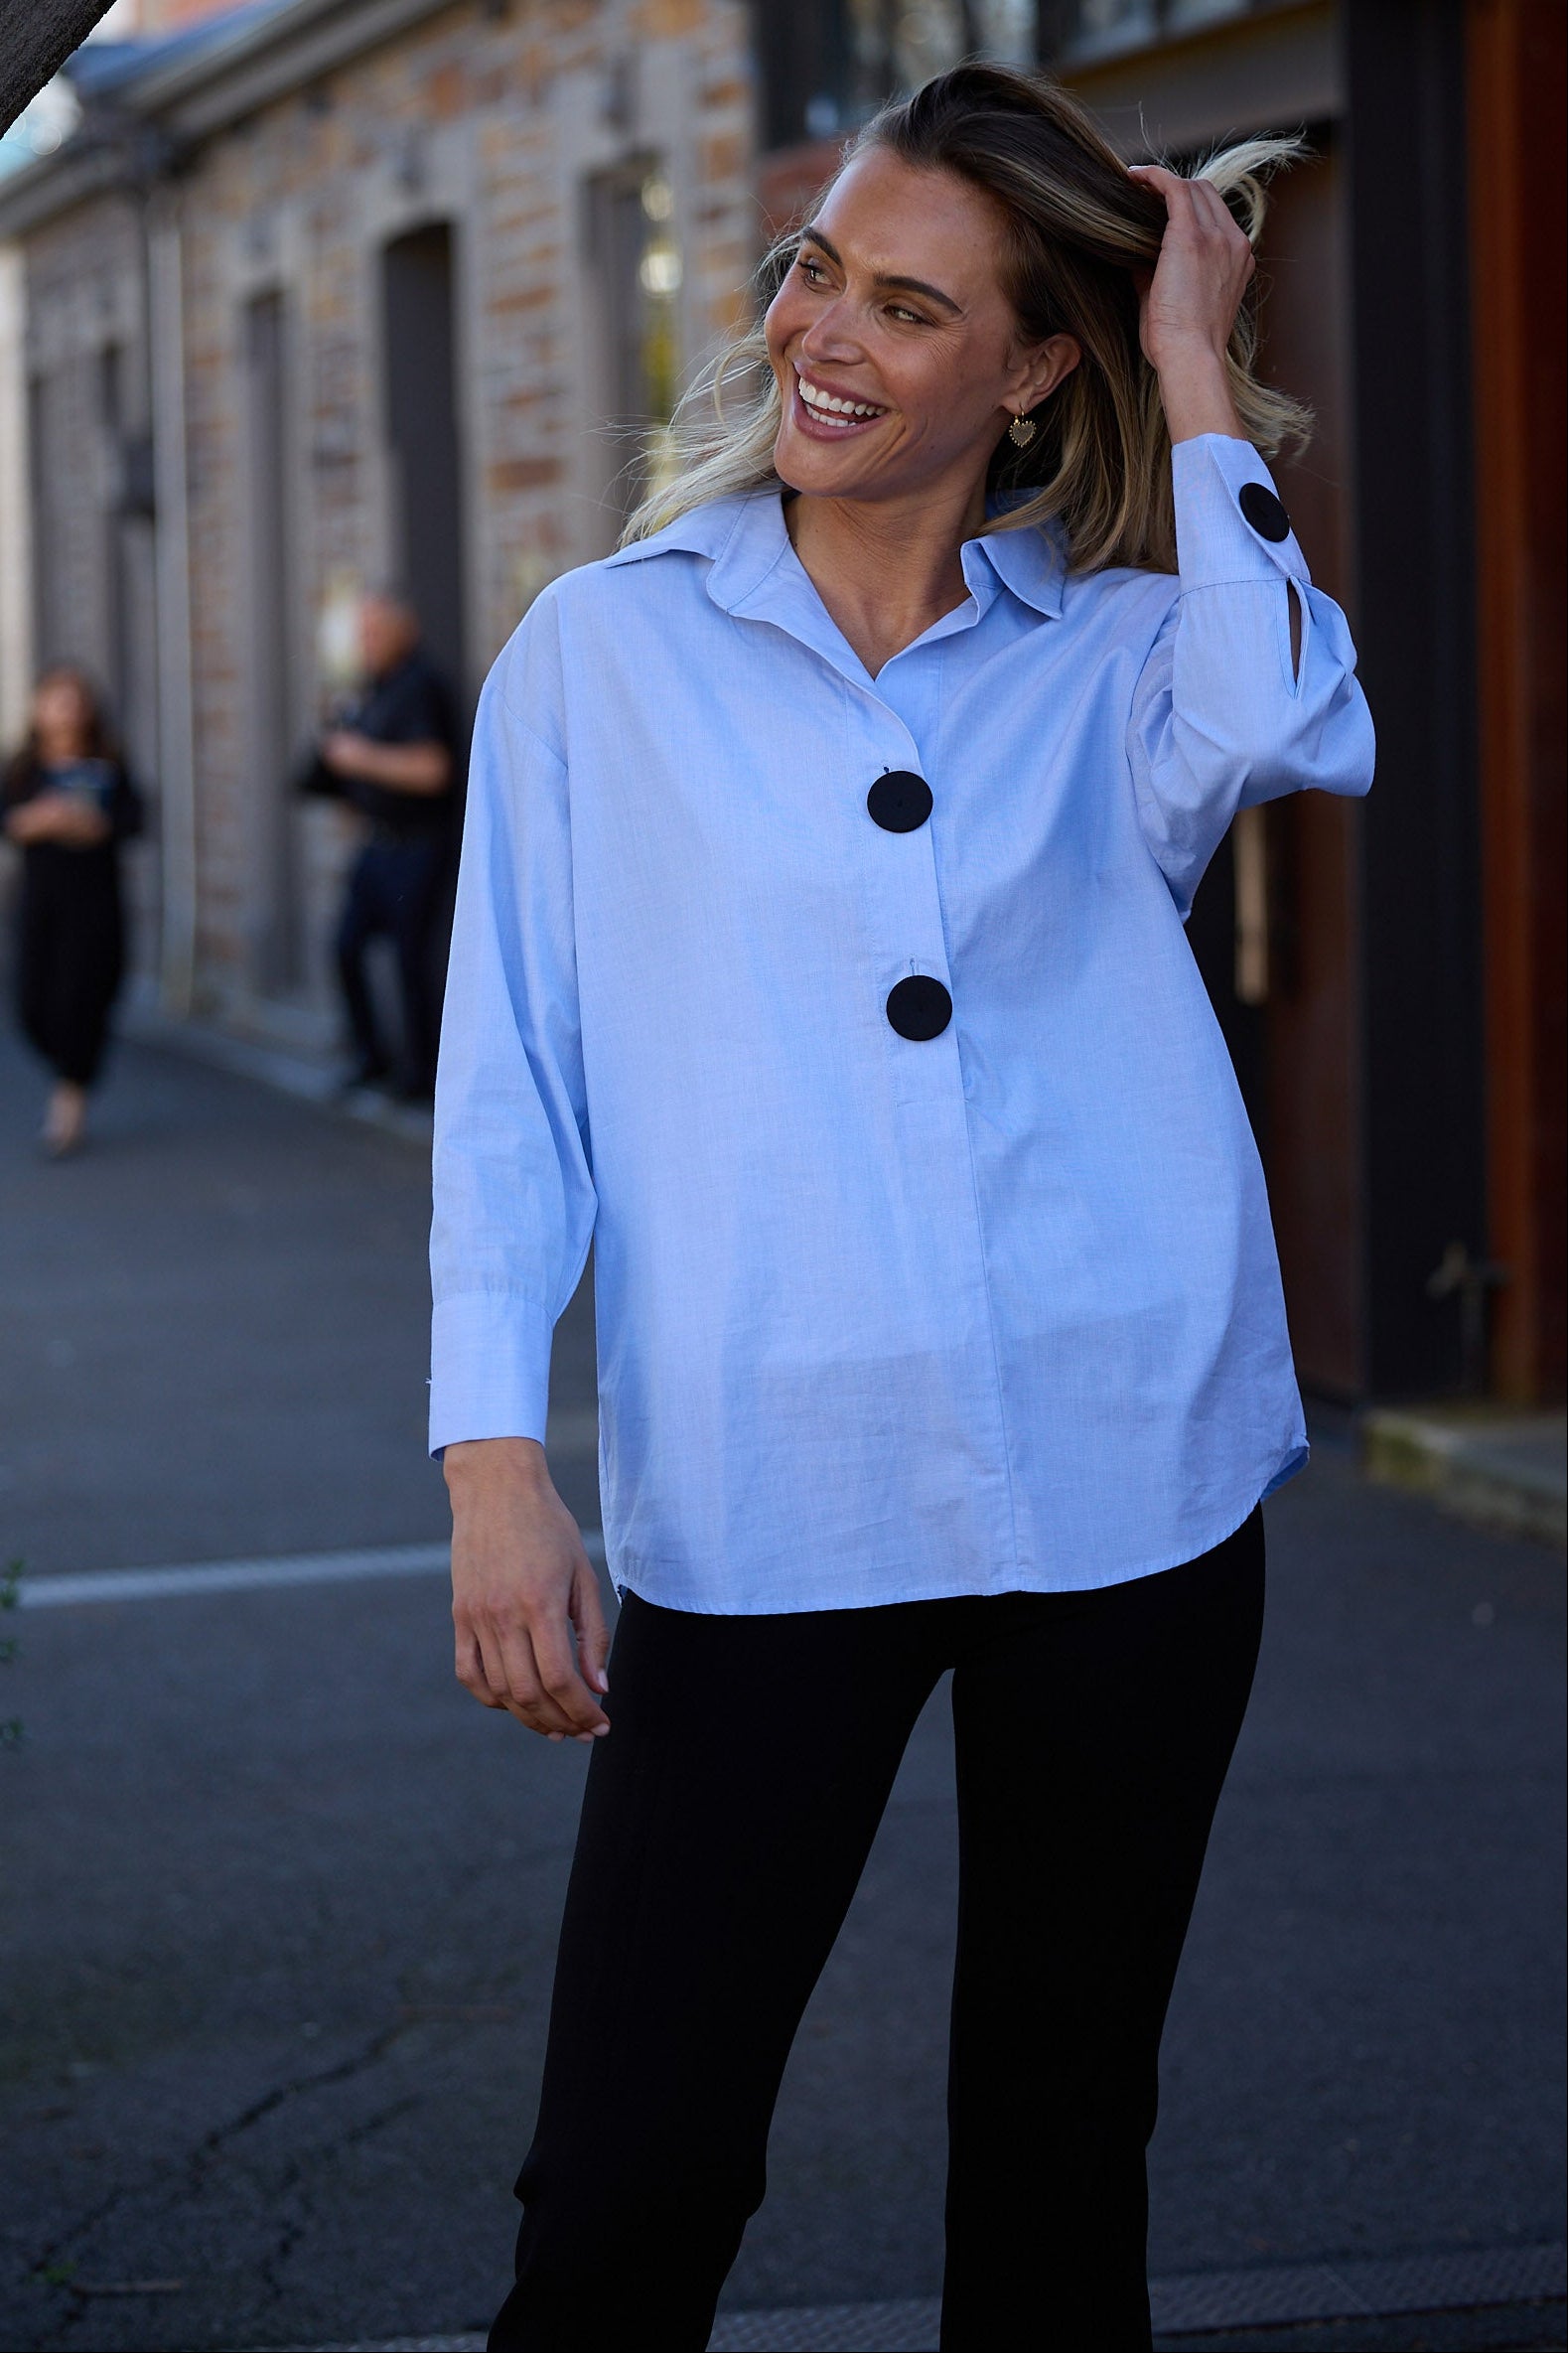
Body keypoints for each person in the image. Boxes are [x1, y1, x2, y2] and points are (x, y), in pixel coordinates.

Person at [431, 67, 1374, 2353]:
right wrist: (491, 1462)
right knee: (633, 2171)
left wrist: (1187, 373)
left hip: (1124, 1482)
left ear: (1030, 363)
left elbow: (1292, 711)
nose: (818, 337)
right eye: (812, 270)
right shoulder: (601, 654)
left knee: (1059, 2151)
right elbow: (508, 1090)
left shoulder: (1128, 642)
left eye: (906, 303)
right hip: (768, 1496)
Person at [311, 591, 456, 1100]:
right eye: (361, 632)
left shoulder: (422, 686)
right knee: (346, 947)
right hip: (378, 844)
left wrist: (360, 759)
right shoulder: (372, 689)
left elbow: (433, 769)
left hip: (419, 846)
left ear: (404, 629)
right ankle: (370, 1057)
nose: (365, 642)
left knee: (413, 961)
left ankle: (422, 1078)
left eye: (374, 630)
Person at [4, 666, 143, 1157]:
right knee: (31, 1004)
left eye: (74, 700)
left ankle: (69, 1100)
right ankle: (71, 1068)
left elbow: (133, 820)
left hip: (93, 903)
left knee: (80, 1000)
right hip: (40, 901)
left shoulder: (108, 764)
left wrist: (92, 826)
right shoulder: (24, 768)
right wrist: (38, 821)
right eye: (55, 700)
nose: (66, 711)